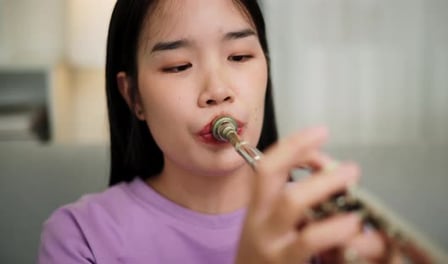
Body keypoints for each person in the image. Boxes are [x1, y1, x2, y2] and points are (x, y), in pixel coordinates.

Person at [38, 0, 393, 263]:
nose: (217, 90)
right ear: (133, 96)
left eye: (239, 57)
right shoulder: (79, 237)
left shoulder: (320, 221)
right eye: (179, 66)